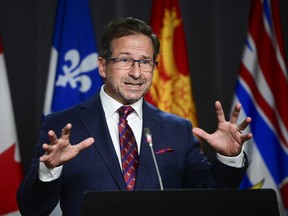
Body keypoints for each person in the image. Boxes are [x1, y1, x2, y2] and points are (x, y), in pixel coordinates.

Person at [17, 17, 252, 216]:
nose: (137, 72)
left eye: (145, 62)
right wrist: (49, 172)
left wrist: (228, 159)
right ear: (102, 66)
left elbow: (207, 200)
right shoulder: (62, 125)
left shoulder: (178, 129)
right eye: (125, 60)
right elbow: (32, 209)